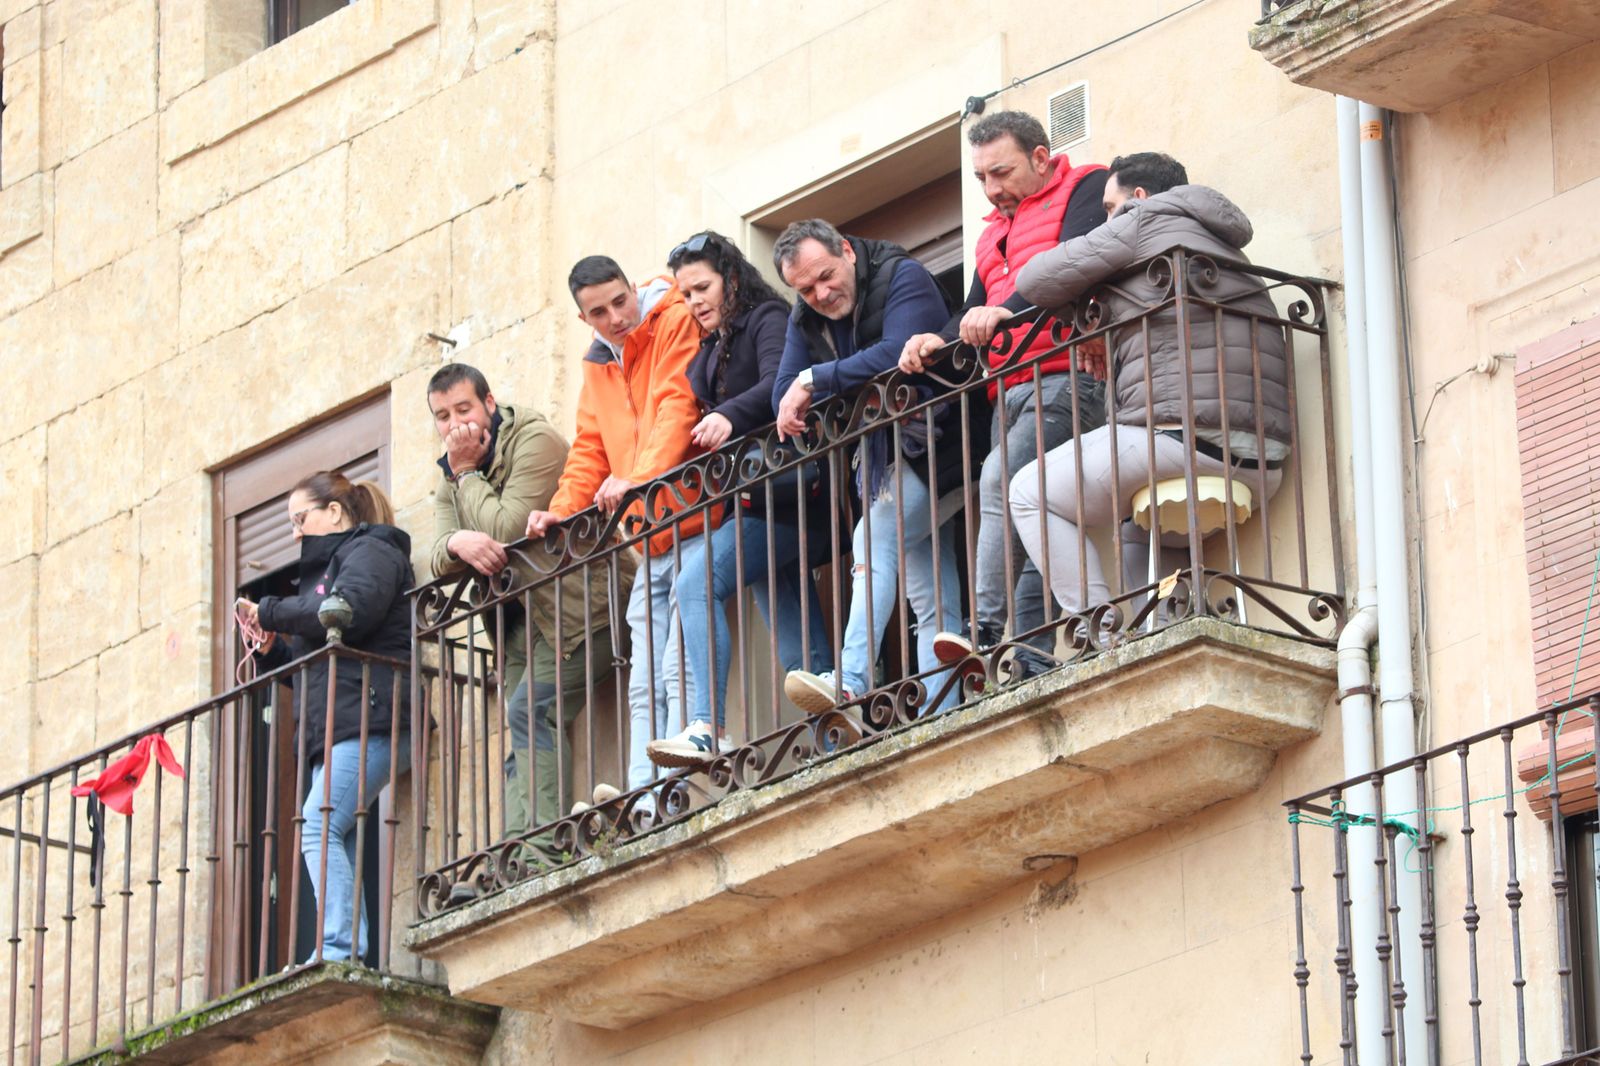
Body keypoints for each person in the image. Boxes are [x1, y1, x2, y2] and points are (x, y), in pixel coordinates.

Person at [1008, 153, 1291, 615]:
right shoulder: (1218, 240)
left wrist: (1081, 312)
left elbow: (1036, 279)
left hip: (1185, 437)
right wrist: (1095, 324)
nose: (1105, 220)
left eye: (1109, 207)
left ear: (1137, 197)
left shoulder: (1144, 219)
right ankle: (1164, 626)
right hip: (1263, 462)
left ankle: (1093, 626)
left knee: (1029, 492)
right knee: (1139, 522)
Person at [899, 110, 1110, 677]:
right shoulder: (993, 230)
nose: (992, 190)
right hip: (1009, 389)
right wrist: (934, 339)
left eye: (1002, 172)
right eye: (981, 180)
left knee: (1001, 481)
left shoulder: (1087, 187)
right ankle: (1034, 657)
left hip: (1067, 374)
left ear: (1041, 158)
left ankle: (983, 629)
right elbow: (975, 307)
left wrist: (1003, 312)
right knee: (1033, 515)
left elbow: (1073, 265)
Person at [771, 219, 984, 719]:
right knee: (926, 585)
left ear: (846, 250)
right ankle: (943, 709)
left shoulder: (901, 275)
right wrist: (808, 382)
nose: (821, 293)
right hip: (894, 456)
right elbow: (785, 389)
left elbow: (897, 354)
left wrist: (816, 378)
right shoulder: (805, 317)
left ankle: (850, 680)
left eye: (826, 275)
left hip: (947, 444)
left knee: (874, 540)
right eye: (805, 288)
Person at [645, 232, 833, 769]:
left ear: (730, 277)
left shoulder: (769, 318)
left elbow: (781, 381)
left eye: (702, 286)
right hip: (758, 500)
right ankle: (833, 728)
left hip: (789, 491)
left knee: (695, 583)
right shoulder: (712, 348)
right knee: (792, 626)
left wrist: (731, 415)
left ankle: (707, 727)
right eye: (685, 294)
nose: (695, 301)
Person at [525, 256, 708, 790]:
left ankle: (677, 789)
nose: (615, 317)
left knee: (677, 663)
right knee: (644, 677)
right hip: (646, 533)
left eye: (620, 301)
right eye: (599, 312)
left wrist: (641, 479)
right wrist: (560, 509)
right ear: (584, 319)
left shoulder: (672, 318)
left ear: (633, 288)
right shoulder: (598, 361)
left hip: (691, 515)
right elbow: (589, 449)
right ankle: (643, 791)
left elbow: (680, 405)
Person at [426, 363, 618, 840]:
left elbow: (508, 531)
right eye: (443, 416)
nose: (455, 425)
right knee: (523, 732)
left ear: (489, 404)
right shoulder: (448, 474)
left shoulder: (536, 441)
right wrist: (455, 546)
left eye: (464, 409)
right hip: (516, 622)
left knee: (530, 712)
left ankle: (546, 849)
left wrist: (467, 472)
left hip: (579, 606)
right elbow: (433, 557)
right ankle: (518, 855)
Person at [237, 473, 412, 963]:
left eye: (300, 518)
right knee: (337, 832)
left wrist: (270, 610)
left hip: (372, 720)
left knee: (318, 825)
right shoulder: (326, 574)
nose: (294, 533)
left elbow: (347, 610)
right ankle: (343, 946)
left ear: (334, 513)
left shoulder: (371, 551)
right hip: (337, 728)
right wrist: (274, 654)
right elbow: (317, 665)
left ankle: (338, 949)